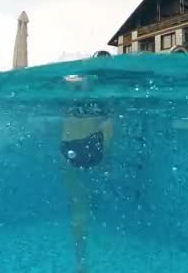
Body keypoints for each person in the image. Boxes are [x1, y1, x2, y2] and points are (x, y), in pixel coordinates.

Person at [60, 50, 114, 273]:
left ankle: (82, 259)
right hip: (84, 148)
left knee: (80, 206)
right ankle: (81, 258)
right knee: (80, 205)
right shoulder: (106, 93)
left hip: (77, 148)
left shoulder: (100, 92)